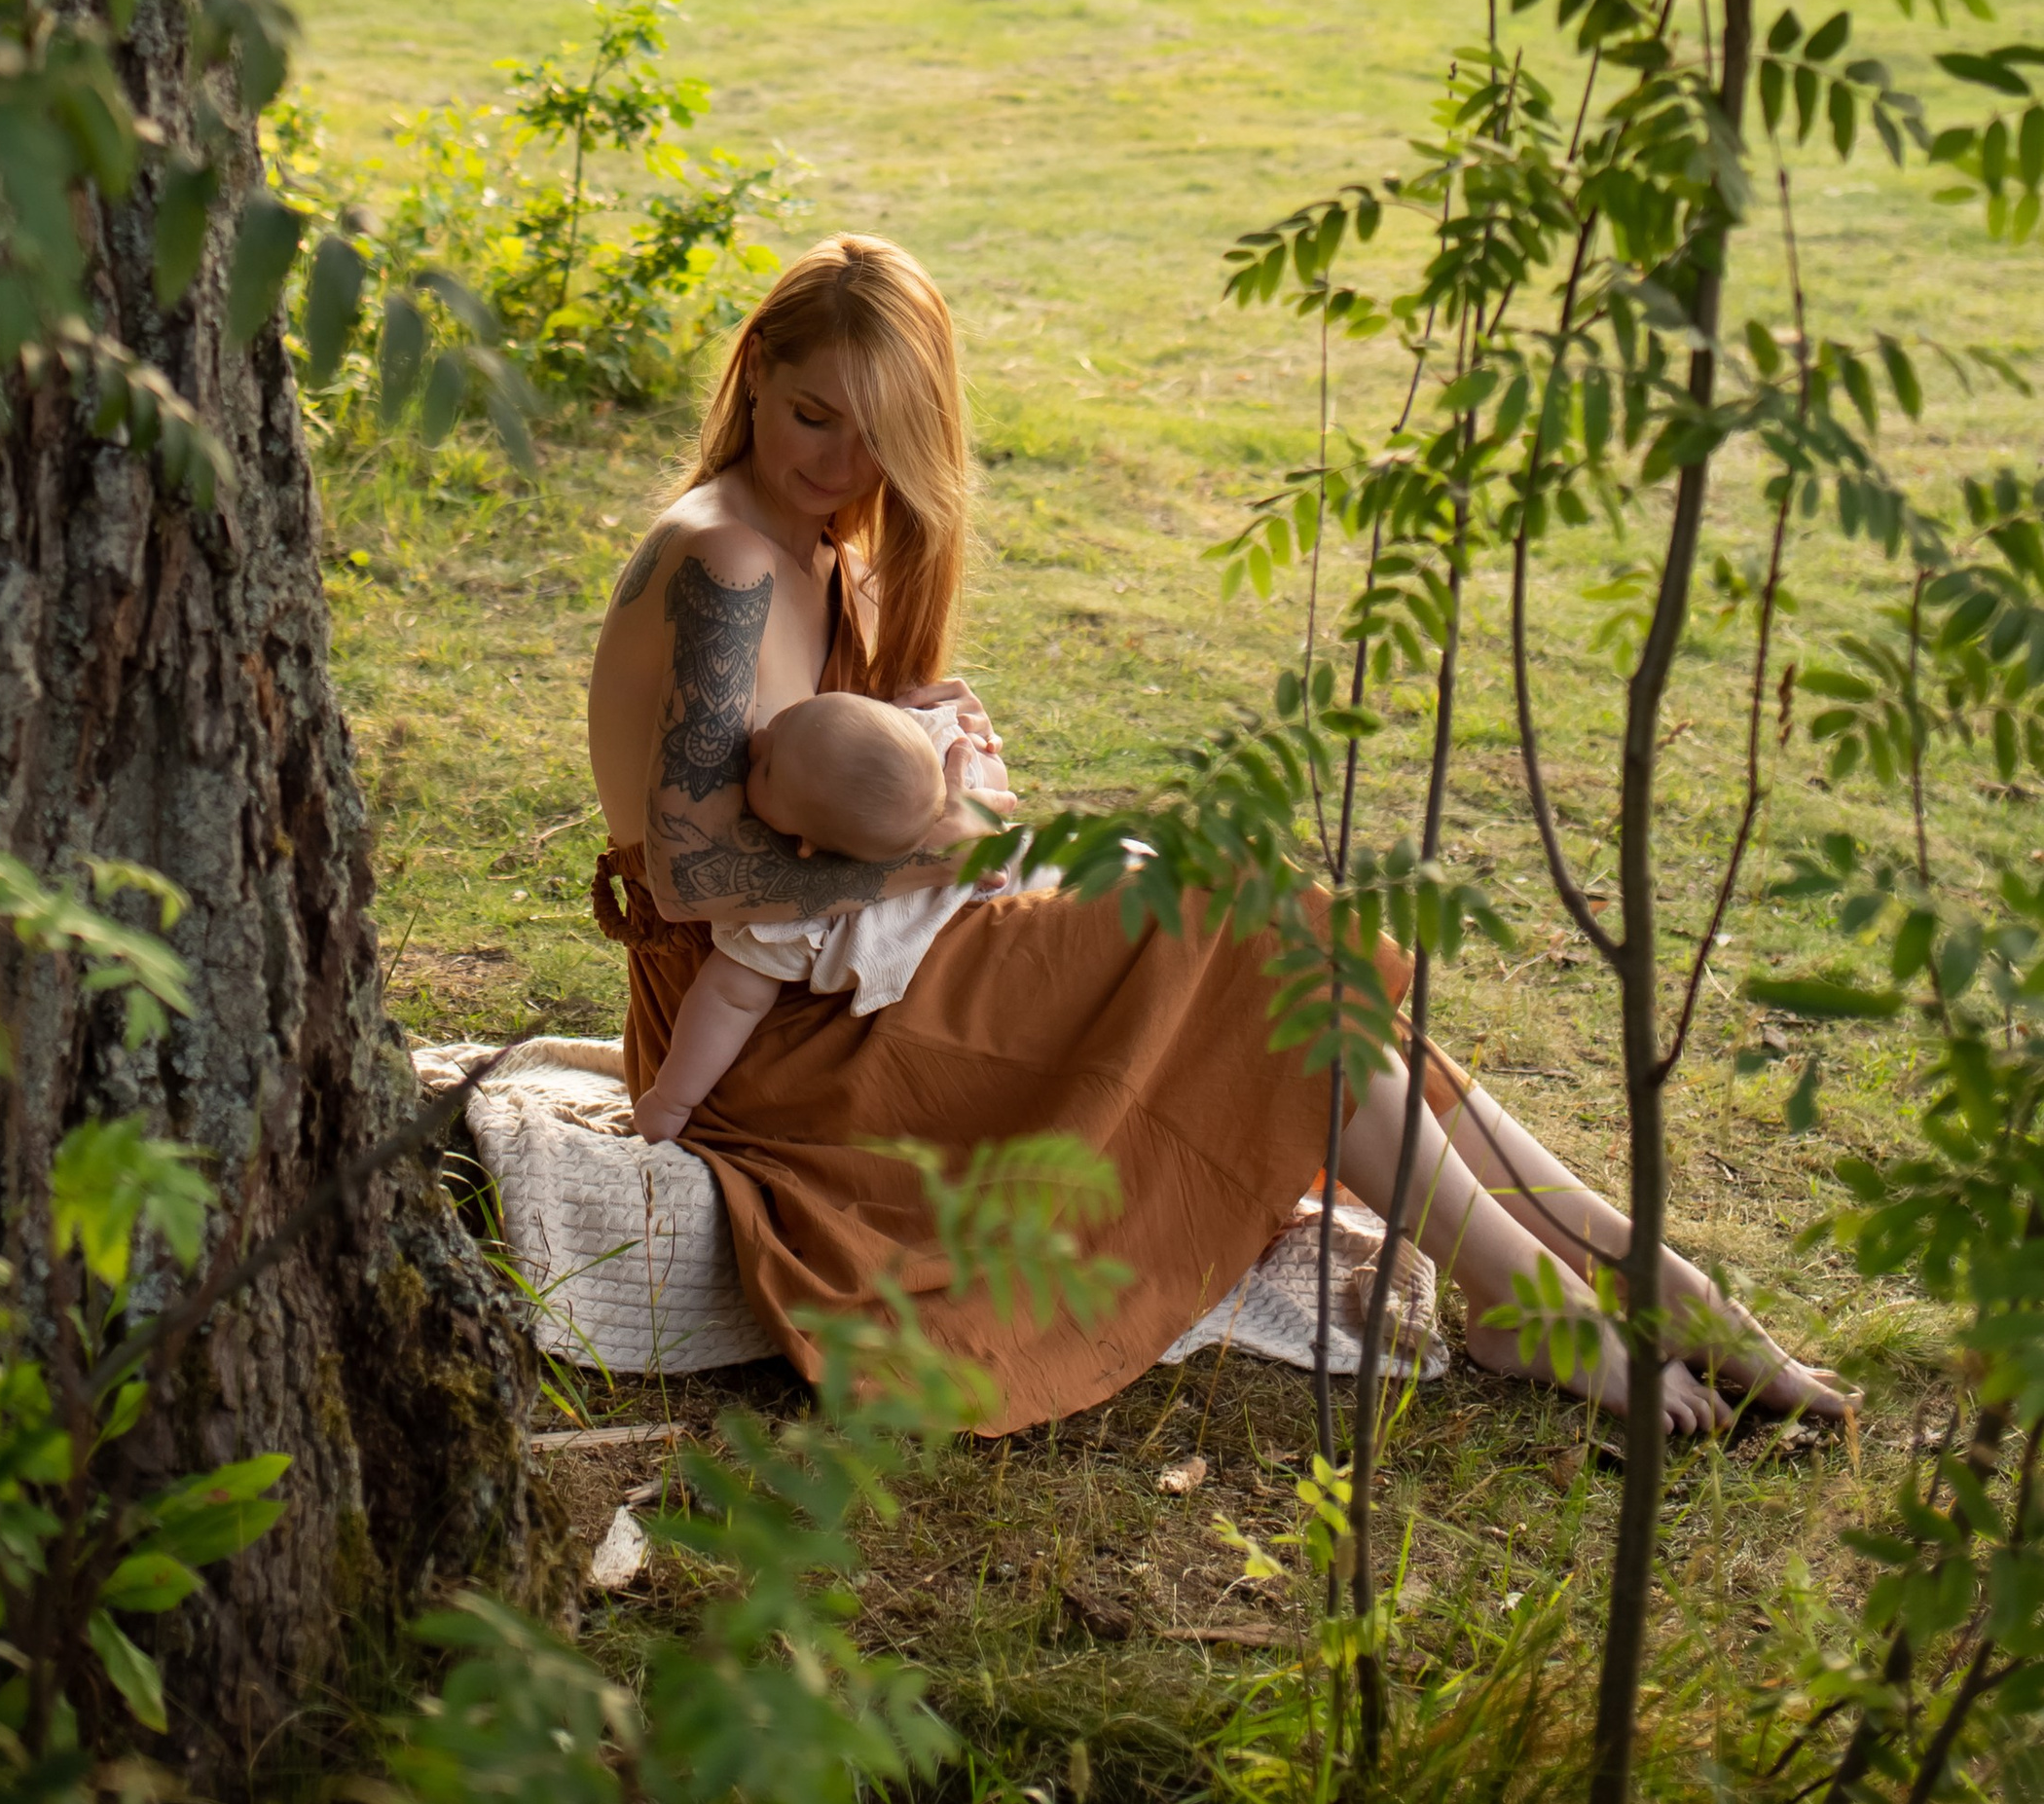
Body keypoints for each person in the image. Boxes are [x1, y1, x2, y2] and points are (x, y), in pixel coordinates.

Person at [587, 233, 1850, 1435]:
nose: (846, 465)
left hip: (866, 965)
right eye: (817, 418)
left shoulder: (828, 558)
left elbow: (880, 818)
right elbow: (697, 875)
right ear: (755, 374)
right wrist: (938, 845)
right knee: (1241, 947)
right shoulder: (728, 565)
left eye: (885, 438)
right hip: (776, 1036)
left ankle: (1633, 1273)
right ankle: (1543, 1302)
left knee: (1278, 954)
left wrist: (948, 782)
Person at [630, 691, 1005, 1144]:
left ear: (805, 846)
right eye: (789, 718)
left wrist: (672, 1099)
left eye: (765, 771)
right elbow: (993, 779)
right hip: (989, 888)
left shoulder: (794, 922)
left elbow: (731, 1001)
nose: (760, 740)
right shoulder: (939, 750)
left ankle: (672, 1100)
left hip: (883, 1021)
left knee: (733, 982)